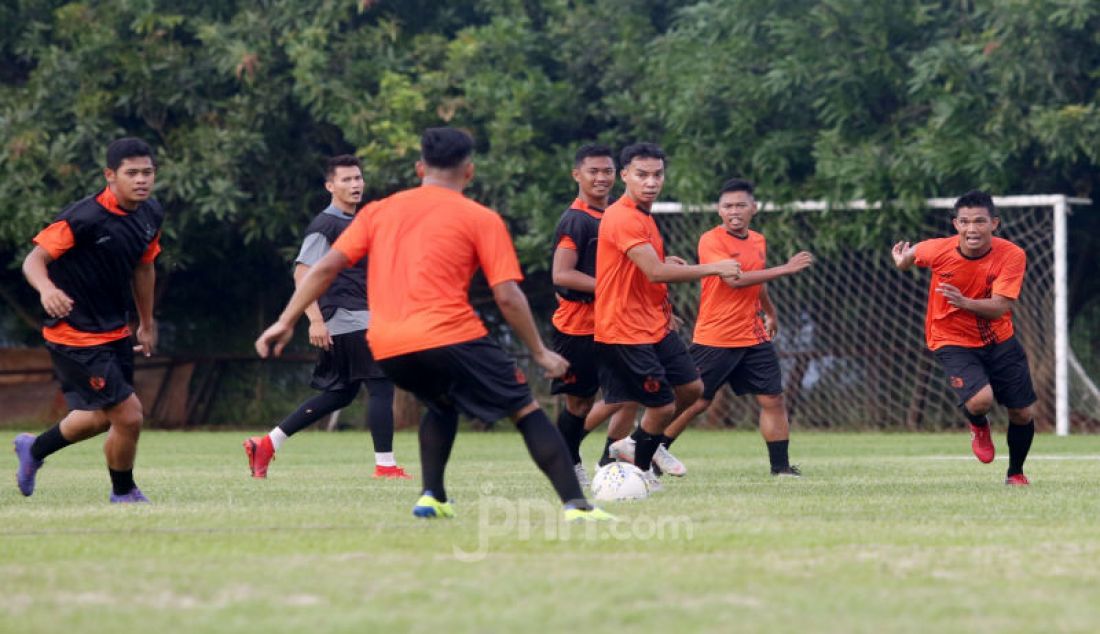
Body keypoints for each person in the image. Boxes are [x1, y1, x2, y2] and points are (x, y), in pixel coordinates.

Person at [255, 127, 611, 521]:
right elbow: (507, 296)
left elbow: (323, 269)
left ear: (420, 167)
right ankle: (577, 506)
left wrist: (286, 320)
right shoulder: (481, 217)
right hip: (451, 334)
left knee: (440, 404)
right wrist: (540, 352)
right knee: (525, 410)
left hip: (388, 345)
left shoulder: (378, 211)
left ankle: (432, 496)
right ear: (469, 172)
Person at [13, 138, 164, 503]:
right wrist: (47, 290)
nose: (141, 180)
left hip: (115, 331)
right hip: (74, 334)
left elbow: (144, 267)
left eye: (147, 172)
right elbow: (33, 261)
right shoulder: (84, 217)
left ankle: (33, 450)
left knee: (98, 418)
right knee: (128, 415)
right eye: (132, 173)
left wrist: (146, 322)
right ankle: (123, 492)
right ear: (110, 176)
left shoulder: (150, 213)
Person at [243, 156, 408, 480]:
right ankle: (386, 466)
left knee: (341, 393)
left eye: (358, 178)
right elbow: (303, 273)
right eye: (346, 180)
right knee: (380, 384)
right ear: (330, 186)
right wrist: (315, 320)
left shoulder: (357, 222)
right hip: (347, 317)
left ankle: (267, 443)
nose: (355, 184)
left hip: (357, 316)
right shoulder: (326, 224)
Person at [594, 142, 742, 490]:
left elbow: (646, 269)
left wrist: (672, 268)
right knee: (654, 406)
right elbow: (655, 273)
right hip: (625, 328)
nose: (651, 182)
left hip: (654, 324)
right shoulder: (623, 216)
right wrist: (713, 268)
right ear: (625, 176)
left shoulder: (644, 215)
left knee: (692, 388)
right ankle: (635, 466)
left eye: (657, 174)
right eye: (642, 175)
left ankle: (634, 445)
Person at [663, 178, 812, 477]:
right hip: (716, 336)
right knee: (696, 402)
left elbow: (756, 280)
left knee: (773, 399)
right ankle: (651, 452)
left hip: (753, 335)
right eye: (728, 206)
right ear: (719, 210)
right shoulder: (711, 240)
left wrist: (770, 313)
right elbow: (734, 279)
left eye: (741, 205)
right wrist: (785, 268)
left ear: (753, 209)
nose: (734, 211)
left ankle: (781, 468)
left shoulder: (757, 240)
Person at [891, 190, 1036, 485]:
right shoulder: (938, 250)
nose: (972, 229)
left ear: (994, 224)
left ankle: (1016, 473)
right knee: (981, 400)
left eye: (980, 221)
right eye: (965, 221)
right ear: (956, 224)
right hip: (950, 338)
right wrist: (902, 262)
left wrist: (964, 302)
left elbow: (1000, 307)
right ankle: (978, 425)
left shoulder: (1012, 254)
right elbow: (912, 253)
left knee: (1022, 412)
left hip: (1000, 338)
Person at [548, 144, 637, 486]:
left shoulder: (616, 214)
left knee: (636, 391)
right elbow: (562, 274)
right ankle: (566, 461)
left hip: (615, 323)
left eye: (607, 171)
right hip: (579, 327)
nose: (601, 178)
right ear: (577, 175)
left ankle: (618, 456)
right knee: (579, 404)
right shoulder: (577, 220)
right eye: (593, 171)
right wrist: (611, 288)